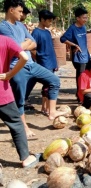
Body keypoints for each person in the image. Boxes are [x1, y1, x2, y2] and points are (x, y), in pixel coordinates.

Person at [0, 0, 66, 137]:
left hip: (31, 64)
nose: (22, 13)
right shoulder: (3, 27)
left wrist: (23, 44)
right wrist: (25, 44)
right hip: (17, 67)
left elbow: (33, 43)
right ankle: (24, 127)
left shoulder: (21, 26)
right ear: (11, 10)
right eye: (19, 11)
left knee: (54, 80)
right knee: (20, 99)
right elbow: (14, 49)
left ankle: (52, 112)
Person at [0, 34, 40, 168]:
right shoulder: (5, 40)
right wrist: (10, 74)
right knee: (16, 123)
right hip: (2, 93)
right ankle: (26, 158)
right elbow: (25, 57)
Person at [30, 10, 58, 116]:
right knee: (47, 85)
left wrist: (55, 63)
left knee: (49, 85)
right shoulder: (36, 33)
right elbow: (32, 48)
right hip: (44, 63)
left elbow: (51, 48)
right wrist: (38, 58)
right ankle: (44, 107)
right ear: (42, 19)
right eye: (49, 20)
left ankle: (45, 107)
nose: (50, 23)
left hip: (51, 62)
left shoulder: (47, 32)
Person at [60, 7, 90, 102]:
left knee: (87, 76)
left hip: (86, 56)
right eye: (84, 18)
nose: (85, 20)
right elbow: (62, 39)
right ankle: (80, 97)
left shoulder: (84, 27)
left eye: (86, 18)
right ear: (78, 18)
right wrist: (74, 45)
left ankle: (85, 94)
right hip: (78, 58)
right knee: (80, 77)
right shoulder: (72, 28)